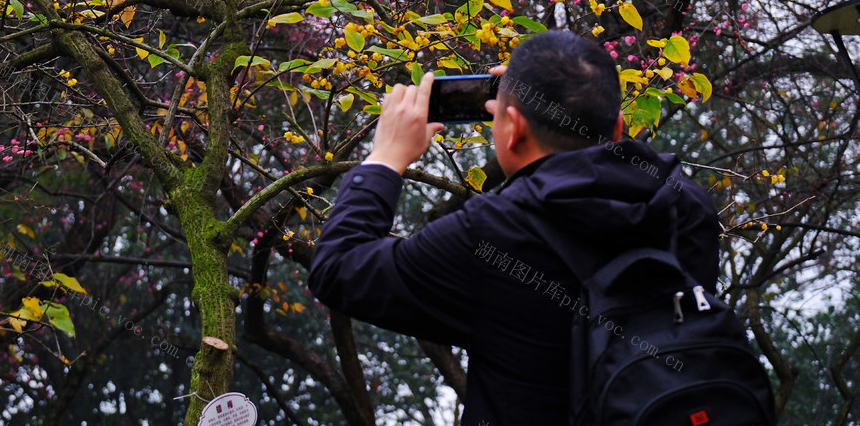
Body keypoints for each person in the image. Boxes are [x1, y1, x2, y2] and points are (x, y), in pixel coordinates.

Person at [307, 30, 720, 425]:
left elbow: (339, 268)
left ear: (514, 128)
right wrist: (558, 104)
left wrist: (385, 158)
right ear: (616, 129)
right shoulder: (686, 207)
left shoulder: (490, 234)